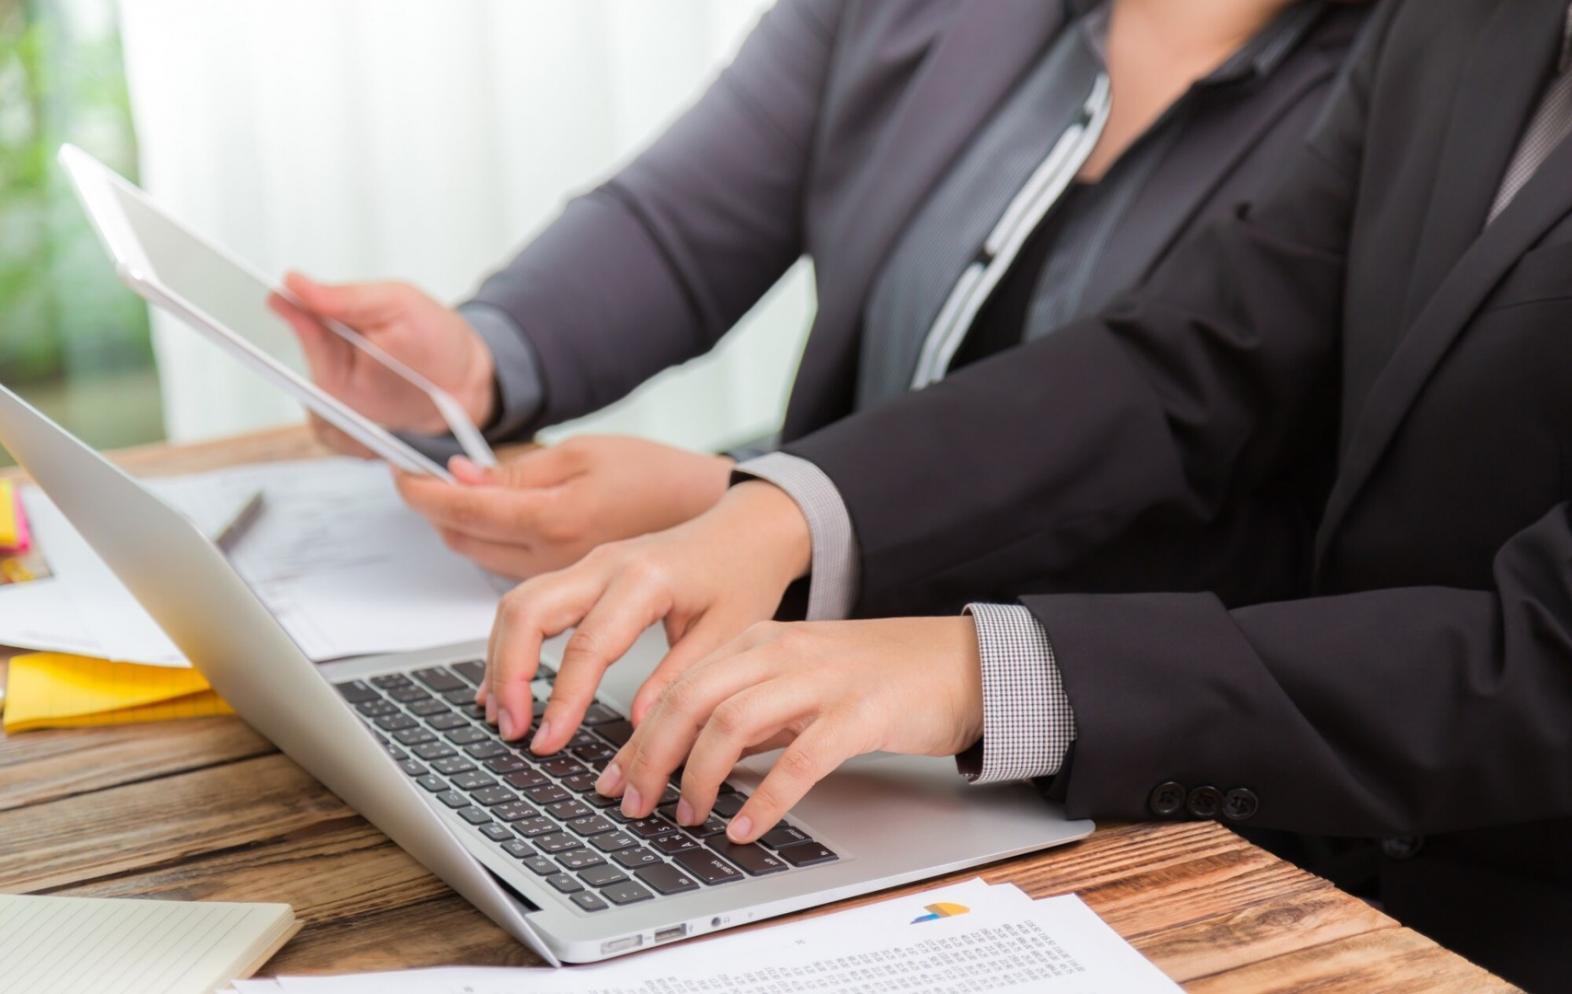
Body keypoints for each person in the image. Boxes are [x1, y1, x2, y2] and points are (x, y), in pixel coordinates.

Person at [470, 0, 1572, 988]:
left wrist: (994, 673)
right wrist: (784, 513)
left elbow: (1547, 657)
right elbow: (1196, 354)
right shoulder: (1464, 20)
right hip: (1292, 862)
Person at [272, 0, 1369, 585]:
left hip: (1098, 741)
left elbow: (1283, 518)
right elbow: (680, 222)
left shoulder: (1406, 87)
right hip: (789, 661)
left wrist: (755, 510)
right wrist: (475, 360)